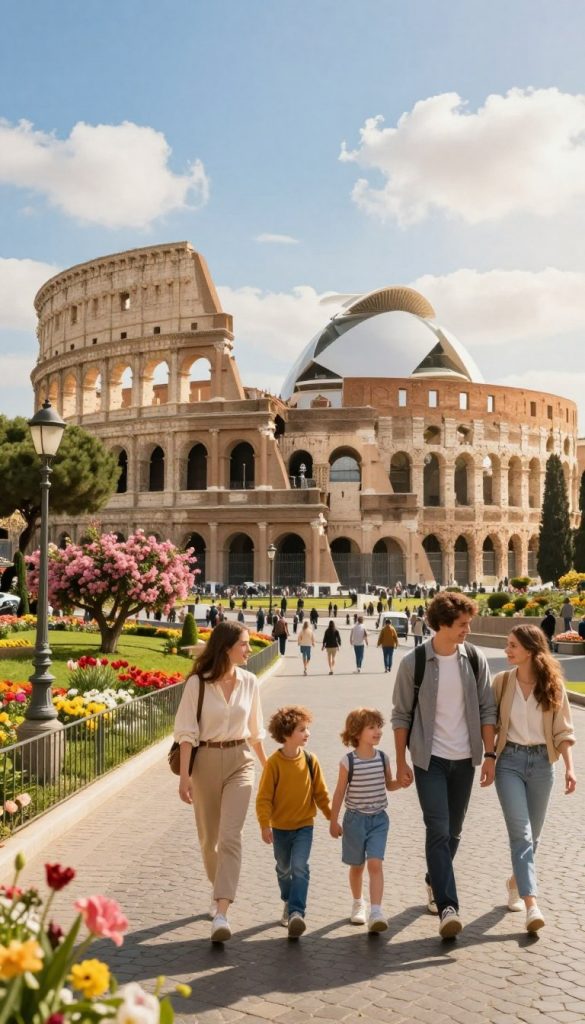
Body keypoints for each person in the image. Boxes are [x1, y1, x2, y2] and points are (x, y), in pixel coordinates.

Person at [391, 592, 497, 939]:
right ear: (444, 624)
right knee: (437, 829)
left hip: (465, 759)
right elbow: (401, 714)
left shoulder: (476, 659)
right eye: (463, 624)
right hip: (429, 760)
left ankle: (433, 879)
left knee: (453, 832)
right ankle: (448, 906)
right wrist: (402, 761)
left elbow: (486, 710)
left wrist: (490, 755)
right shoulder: (415, 662)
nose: (468, 628)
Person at [175, 621, 267, 943]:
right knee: (209, 841)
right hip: (205, 764)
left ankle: (223, 911)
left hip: (241, 761)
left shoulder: (251, 682)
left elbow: (255, 732)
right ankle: (218, 891)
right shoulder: (197, 685)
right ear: (226, 646)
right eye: (243, 644)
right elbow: (186, 733)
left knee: (231, 836)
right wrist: (185, 777)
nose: (249, 649)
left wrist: (268, 768)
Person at [492, 625, 576, 933]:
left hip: (543, 764)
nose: (507, 650)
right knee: (522, 835)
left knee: (533, 836)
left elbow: (564, 731)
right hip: (510, 763)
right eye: (506, 644)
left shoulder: (552, 685)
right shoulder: (501, 683)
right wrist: (489, 759)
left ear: (529, 649)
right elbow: (490, 723)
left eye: (512, 645)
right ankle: (532, 904)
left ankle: (515, 881)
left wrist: (569, 768)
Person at [256, 705, 331, 937]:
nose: (307, 733)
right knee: (283, 868)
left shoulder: (311, 760)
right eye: (302, 729)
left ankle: (297, 912)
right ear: (287, 733)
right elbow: (264, 798)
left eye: (307, 729)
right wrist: (264, 824)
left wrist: (332, 817)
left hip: (304, 826)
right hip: (280, 828)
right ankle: (288, 900)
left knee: (300, 867)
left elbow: (321, 793)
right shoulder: (274, 764)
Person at [329, 708, 401, 932]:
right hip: (354, 821)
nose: (378, 731)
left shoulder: (383, 758)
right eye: (371, 727)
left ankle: (376, 911)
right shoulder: (348, 761)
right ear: (357, 733)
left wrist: (402, 782)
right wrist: (334, 820)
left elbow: (389, 785)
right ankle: (358, 902)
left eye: (379, 726)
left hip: (379, 820)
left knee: (375, 863)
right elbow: (340, 792)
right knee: (357, 866)